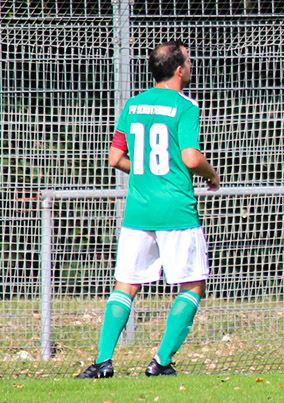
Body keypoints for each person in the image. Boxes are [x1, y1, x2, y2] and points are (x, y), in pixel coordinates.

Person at [76, 41, 220, 379]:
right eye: (188, 59)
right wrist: (211, 175)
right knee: (193, 284)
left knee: (125, 285)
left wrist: (143, 172)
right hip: (176, 210)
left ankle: (102, 361)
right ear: (179, 69)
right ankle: (161, 362)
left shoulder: (133, 104)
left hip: (138, 212)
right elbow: (191, 158)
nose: (191, 64)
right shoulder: (185, 106)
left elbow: (115, 158)